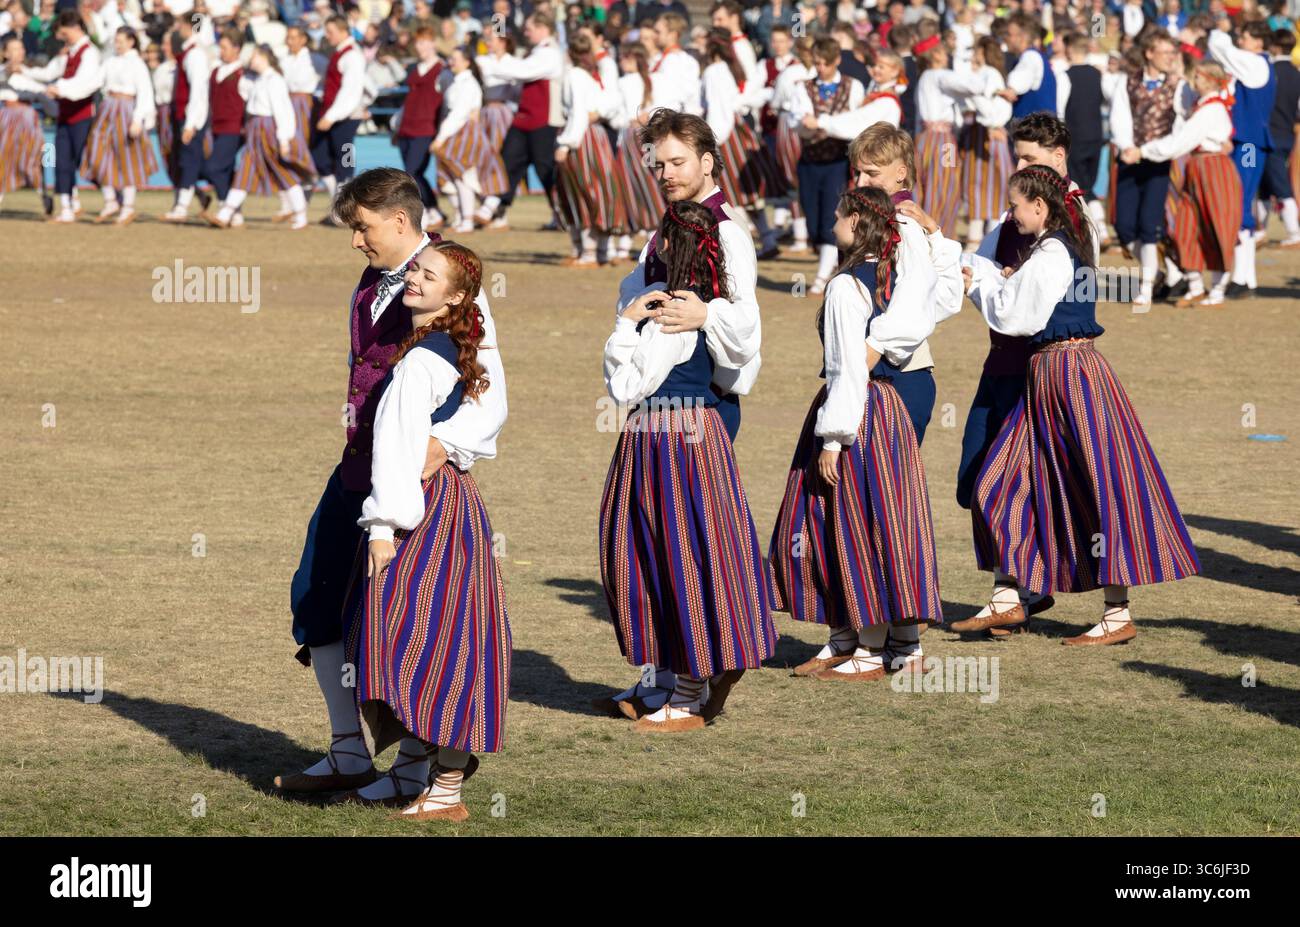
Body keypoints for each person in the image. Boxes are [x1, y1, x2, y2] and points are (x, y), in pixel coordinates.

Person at [274, 168, 508, 803]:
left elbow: (489, 396)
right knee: (316, 601)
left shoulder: (453, 283)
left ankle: (419, 765)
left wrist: (443, 446)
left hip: (407, 484)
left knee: (411, 622)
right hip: (356, 468)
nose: (356, 241)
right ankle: (350, 751)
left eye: (363, 228)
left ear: (400, 222)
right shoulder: (378, 285)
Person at [961, 164, 1200, 646]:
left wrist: (978, 283)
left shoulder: (1051, 251)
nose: (1010, 214)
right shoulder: (1052, 248)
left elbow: (1015, 318)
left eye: (1015, 205)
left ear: (1039, 206)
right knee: (1006, 481)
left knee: (1098, 487)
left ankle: (1116, 614)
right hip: (1048, 378)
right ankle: (1011, 596)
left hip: (1070, 376)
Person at [599, 108, 763, 721]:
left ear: (707, 162)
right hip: (660, 404)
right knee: (646, 543)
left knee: (689, 545)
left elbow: (746, 330)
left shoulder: (729, 233)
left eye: (676, 162)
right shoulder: (666, 230)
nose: (665, 172)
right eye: (658, 163)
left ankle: (695, 676)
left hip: (695, 408)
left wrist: (704, 319)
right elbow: (634, 292)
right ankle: (664, 675)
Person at [345, 239, 511, 822]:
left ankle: (446, 790)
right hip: (456, 508)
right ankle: (416, 770)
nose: (414, 278)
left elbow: (395, 451)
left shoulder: (419, 361)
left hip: (424, 512)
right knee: (448, 637)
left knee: (426, 644)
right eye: (416, 269)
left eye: (429, 275)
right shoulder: (448, 347)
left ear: (457, 296)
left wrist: (382, 529)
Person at [769, 184, 951, 679]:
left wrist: (832, 440)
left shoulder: (848, 285)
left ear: (857, 223)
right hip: (889, 408)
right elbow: (933, 303)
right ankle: (858, 639)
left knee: (851, 519)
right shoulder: (900, 268)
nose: (832, 226)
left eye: (838, 218)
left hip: (861, 411)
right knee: (888, 517)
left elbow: (847, 367)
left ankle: (872, 648)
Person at [952, 113, 1097, 633]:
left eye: (1029, 158)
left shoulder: (1071, 223)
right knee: (982, 474)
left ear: (1058, 160)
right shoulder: (1020, 217)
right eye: (1017, 158)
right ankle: (1019, 588)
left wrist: (996, 285)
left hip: (1038, 370)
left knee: (1016, 480)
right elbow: (981, 259)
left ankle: (1013, 590)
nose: (1019, 166)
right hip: (1006, 364)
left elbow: (1027, 303)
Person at [1136, 59, 1240, 306]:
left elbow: (1179, 142)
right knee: (1185, 224)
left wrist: (1143, 151)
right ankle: (1195, 285)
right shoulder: (1202, 106)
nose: (1192, 83)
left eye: (1196, 78)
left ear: (1206, 80)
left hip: (1214, 167)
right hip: (1197, 166)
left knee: (1218, 224)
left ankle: (1217, 287)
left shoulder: (1210, 110)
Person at [1109, 30, 1187, 310]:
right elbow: (1120, 116)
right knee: (1124, 227)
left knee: (1149, 226)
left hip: (1159, 162)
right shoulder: (1127, 82)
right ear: (1149, 54)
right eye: (1165, 52)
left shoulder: (1179, 87)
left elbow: (1179, 130)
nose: (1170, 58)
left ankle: (1146, 287)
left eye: (1172, 53)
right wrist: (1127, 146)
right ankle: (1166, 270)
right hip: (1130, 159)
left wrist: (1150, 151)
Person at [1200, 19, 1277, 297]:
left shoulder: (1255, 63)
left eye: (1243, 36)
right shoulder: (1255, 63)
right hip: (1248, 142)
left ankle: (1242, 279)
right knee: (1241, 202)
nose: (1239, 40)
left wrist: (1219, 28)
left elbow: (1220, 48)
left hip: (1248, 144)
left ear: (1258, 41)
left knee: (1240, 203)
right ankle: (1247, 277)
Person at [785, 36, 865, 294]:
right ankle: (828, 264)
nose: (820, 68)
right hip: (810, 159)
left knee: (831, 213)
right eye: (817, 63)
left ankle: (821, 276)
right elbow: (802, 126)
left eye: (825, 63)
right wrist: (826, 123)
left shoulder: (853, 86)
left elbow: (854, 123)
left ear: (836, 61)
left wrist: (820, 122)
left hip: (837, 160)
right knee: (811, 215)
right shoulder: (803, 88)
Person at [207, 43, 314, 230]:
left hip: (268, 128)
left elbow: (283, 111)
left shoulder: (275, 80)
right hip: (255, 127)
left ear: (264, 57)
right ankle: (225, 214)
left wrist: (284, 139)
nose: (250, 60)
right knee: (245, 170)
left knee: (282, 172)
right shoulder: (258, 79)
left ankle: (300, 213)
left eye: (254, 56)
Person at [476, 11, 564, 232]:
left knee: (545, 170)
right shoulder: (536, 52)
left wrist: (492, 59)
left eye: (530, 28)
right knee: (507, 162)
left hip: (544, 121)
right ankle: (493, 207)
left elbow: (523, 71)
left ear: (543, 29)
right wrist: (496, 52)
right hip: (524, 119)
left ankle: (561, 214)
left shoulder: (550, 53)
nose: (526, 32)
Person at [702, 26, 783, 259]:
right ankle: (767, 238)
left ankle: (739, 245)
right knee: (747, 193)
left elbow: (717, 107)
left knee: (731, 192)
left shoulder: (714, 71)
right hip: (740, 129)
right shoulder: (731, 67)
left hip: (725, 132)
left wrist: (712, 136)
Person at [553, 30, 626, 266]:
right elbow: (609, 103)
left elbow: (578, 112)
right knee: (600, 191)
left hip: (582, 138)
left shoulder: (576, 75)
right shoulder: (592, 75)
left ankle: (590, 253)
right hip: (598, 136)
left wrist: (566, 143)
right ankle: (601, 252)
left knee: (582, 191)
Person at [21, 11, 101, 223]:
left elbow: (84, 83)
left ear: (76, 28)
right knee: (62, 161)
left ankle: (115, 200)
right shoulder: (68, 53)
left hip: (83, 115)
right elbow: (48, 73)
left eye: (65, 33)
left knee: (87, 161)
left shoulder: (89, 53)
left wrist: (59, 88)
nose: (63, 38)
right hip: (65, 115)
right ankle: (67, 207)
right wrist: (22, 71)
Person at [80, 26, 155, 227]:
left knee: (127, 158)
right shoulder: (110, 61)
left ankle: (128, 206)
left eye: (121, 40)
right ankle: (110, 200)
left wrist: (138, 119)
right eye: (116, 40)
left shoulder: (137, 63)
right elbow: (93, 82)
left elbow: (145, 93)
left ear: (131, 42)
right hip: (107, 109)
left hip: (126, 110)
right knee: (98, 153)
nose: (117, 44)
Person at [434, 46, 510, 235]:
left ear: (467, 62)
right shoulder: (455, 80)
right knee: (453, 177)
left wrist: (441, 137)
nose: (452, 62)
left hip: (464, 131)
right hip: (457, 130)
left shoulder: (468, 84)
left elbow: (459, 114)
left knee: (463, 176)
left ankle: (468, 219)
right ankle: (463, 217)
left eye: (456, 59)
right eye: (451, 59)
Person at [313, 14, 367, 224]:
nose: (327, 36)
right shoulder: (340, 53)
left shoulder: (352, 55)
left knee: (345, 161)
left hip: (345, 118)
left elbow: (350, 92)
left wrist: (331, 116)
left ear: (344, 31)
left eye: (331, 32)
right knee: (321, 159)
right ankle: (339, 205)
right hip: (333, 114)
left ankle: (345, 210)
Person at [961, 35, 1014, 251]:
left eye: (977, 51)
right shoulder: (979, 73)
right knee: (976, 182)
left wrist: (992, 123)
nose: (974, 54)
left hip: (988, 132)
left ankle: (989, 239)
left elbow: (995, 108)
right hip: (977, 131)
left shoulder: (990, 74)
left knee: (992, 184)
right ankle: (976, 237)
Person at [160, 15, 214, 223]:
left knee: (190, 161)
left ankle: (182, 206)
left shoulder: (195, 55)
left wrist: (191, 123)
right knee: (186, 161)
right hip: (185, 115)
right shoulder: (191, 54)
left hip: (190, 116)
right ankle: (182, 204)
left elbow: (198, 92)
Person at [393, 25, 445, 233]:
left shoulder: (442, 69)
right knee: (413, 173)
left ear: (433, 42)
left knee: (413, 173)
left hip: (426, 127)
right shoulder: (415, 68)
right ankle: (434, 210)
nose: (421, 46)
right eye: (418, 42)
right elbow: (408, 101)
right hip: (407, 127)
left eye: (424, 42)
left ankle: (428, 211)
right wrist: (397, 126)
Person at [198, 28, 248, 225]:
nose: (222, 52)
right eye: (221, 47)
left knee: (214, 167)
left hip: (234, 128)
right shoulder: (217, 70)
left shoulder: (242, 74)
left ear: (237, 49)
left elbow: (248, 101)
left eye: (225, 48)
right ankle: (233, 213)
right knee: (224, 169)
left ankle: (225, 206)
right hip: (216, 127)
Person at [1257, 28, 1300, 248]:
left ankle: (1294, 232)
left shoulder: (1268, 72)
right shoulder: (1297, 74)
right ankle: (1261, 229)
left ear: (1274, 46)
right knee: (1265, 185)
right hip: (1286, 134)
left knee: (1279, 185)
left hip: (1268, 136)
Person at [0, 34, 51, 214]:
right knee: (3, 158)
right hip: (6, 117)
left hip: (27, 119)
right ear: (5, 53)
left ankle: (43, 193)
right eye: (14, 49)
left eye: (20, 48)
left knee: (33, 157)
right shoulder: (2, 73)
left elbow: (44, 95)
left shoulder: (30, 73)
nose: (19, 52)